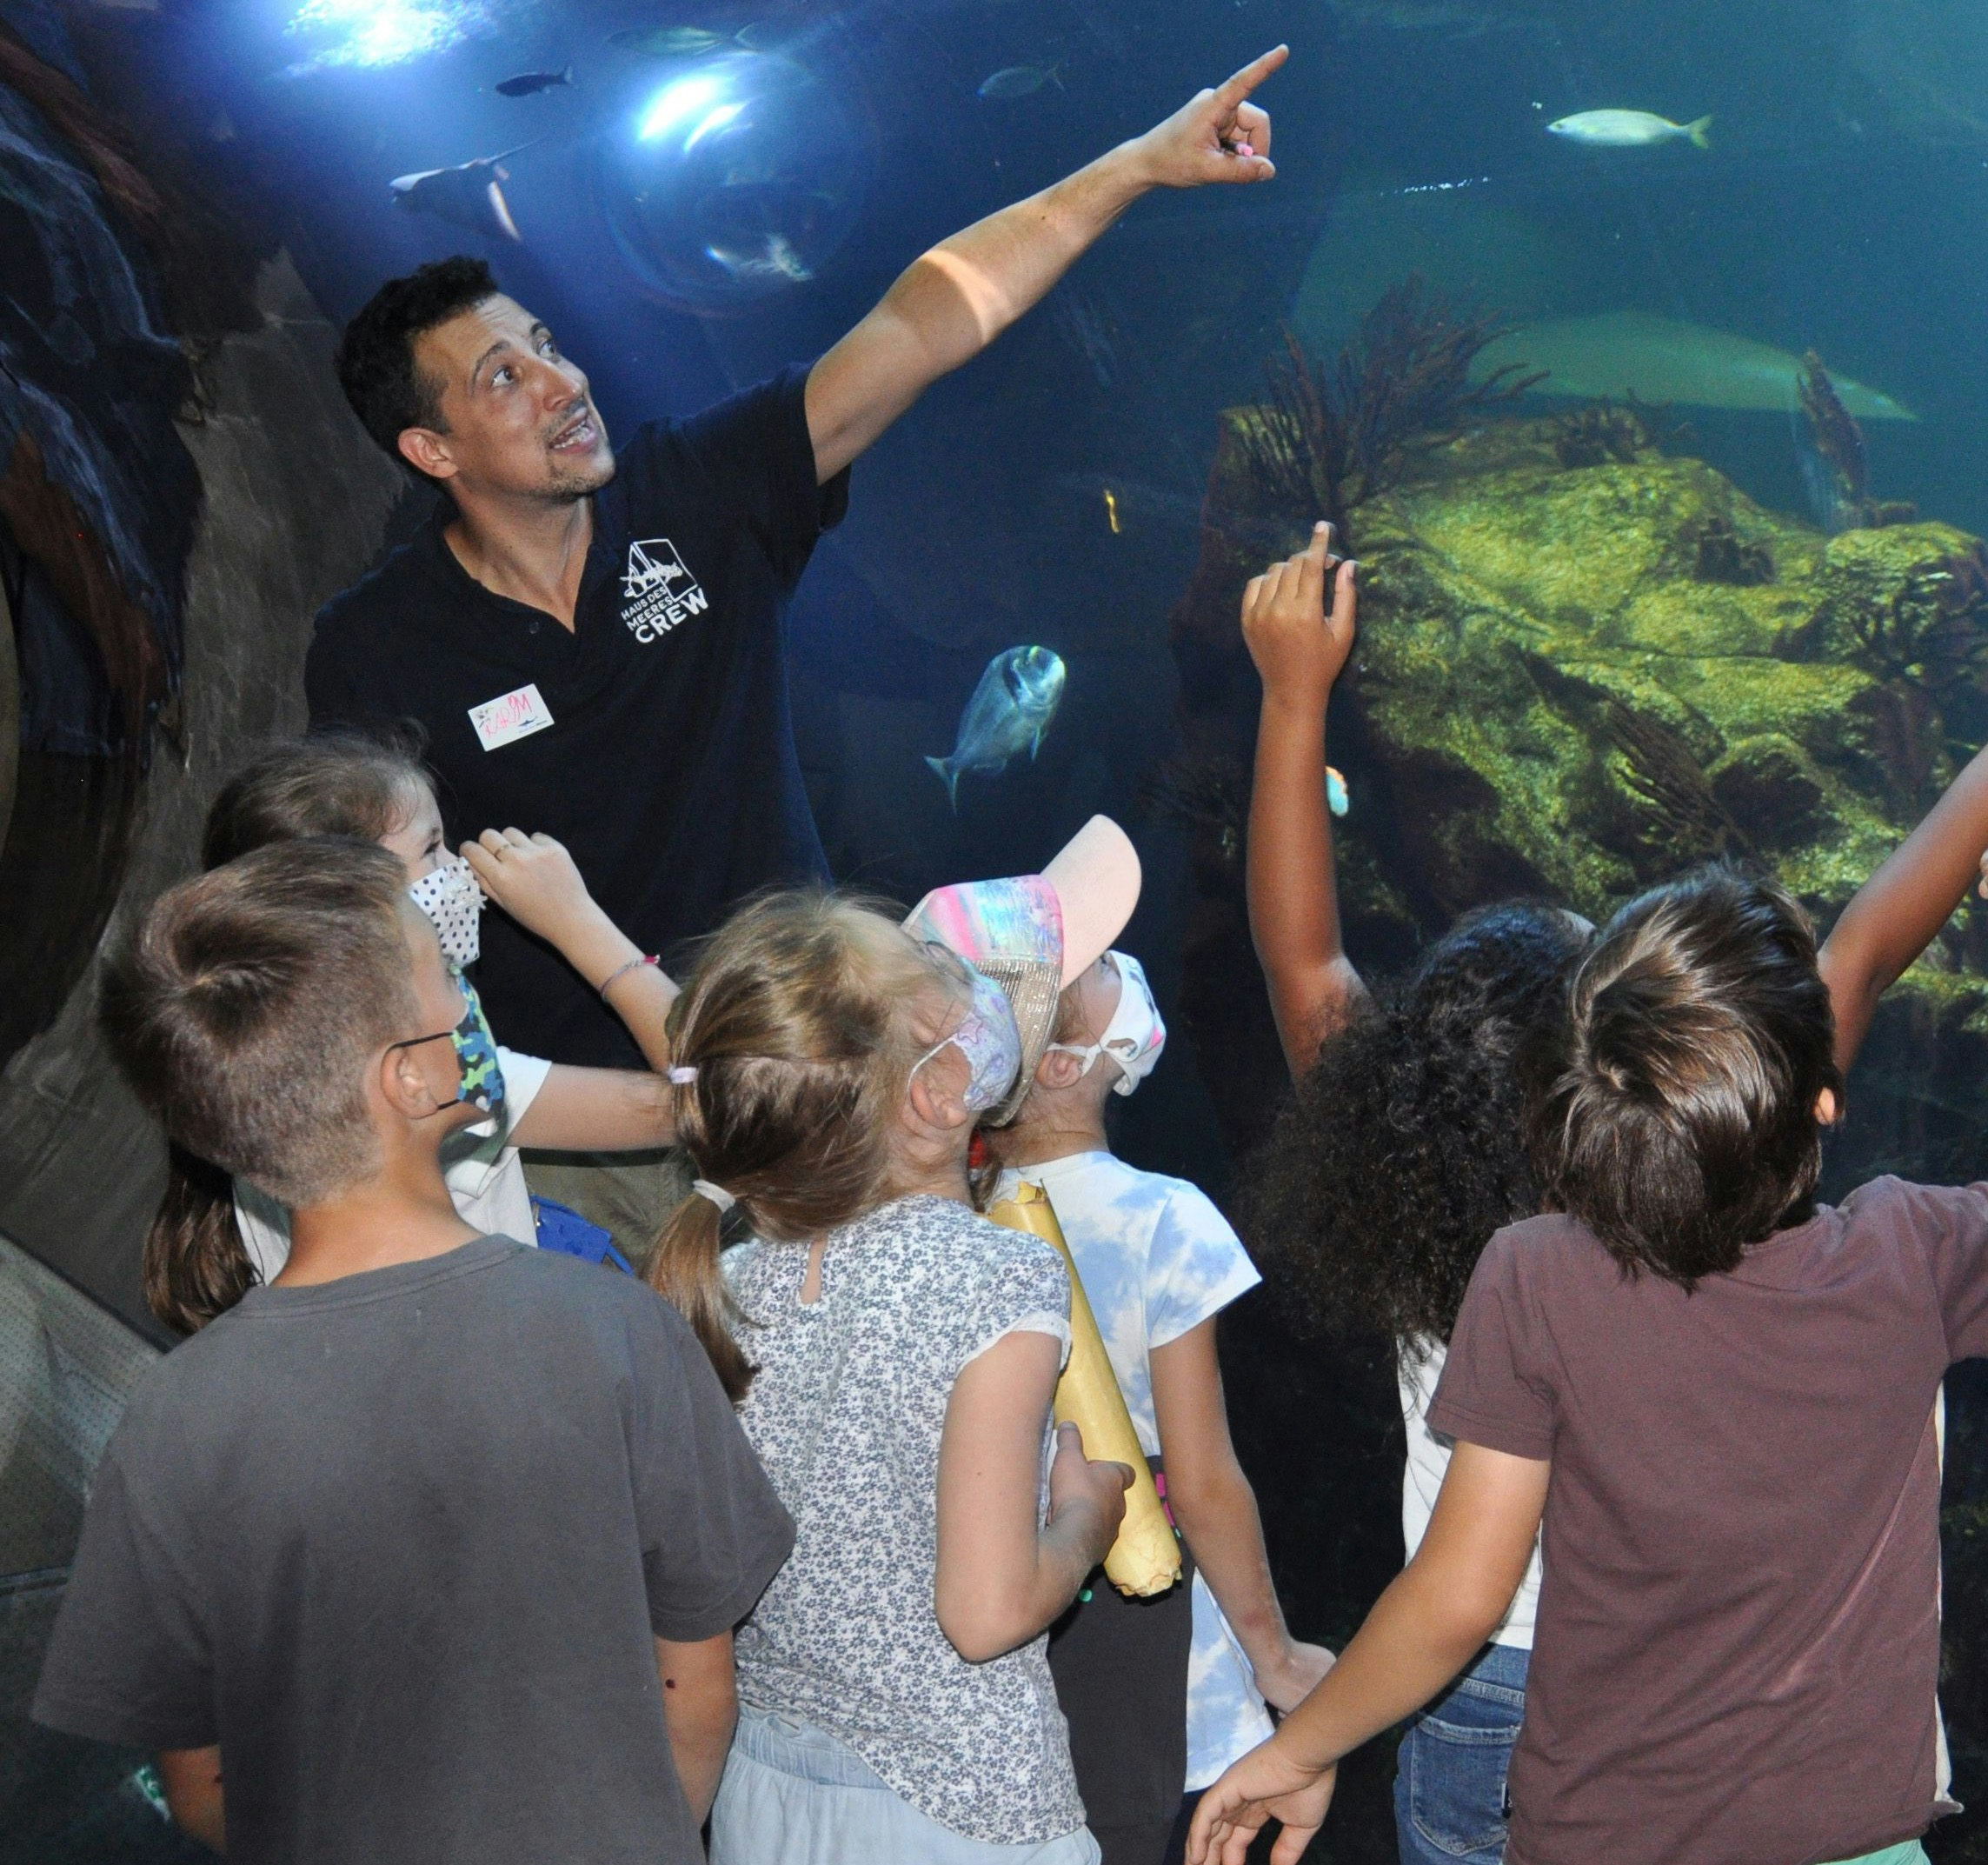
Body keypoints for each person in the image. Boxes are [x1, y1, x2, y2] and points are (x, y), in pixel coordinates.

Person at [1229, 527, 1988, 1864]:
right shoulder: (1778, 1172)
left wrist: (1291, 695)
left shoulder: (1478, 1241)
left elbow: (1302, 958)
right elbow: (1863, 952)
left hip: (1484, 1701)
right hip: (1768, 1735)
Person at [304, 49, 1296, 1236]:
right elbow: (366, 924)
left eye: (551, 346)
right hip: (602, 1146)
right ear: (433, 452)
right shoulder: (376, 650)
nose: (561, 384)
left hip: (819, 1066)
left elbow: (924, 321)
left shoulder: (692, 493)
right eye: (503, 378)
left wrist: (1135, 167)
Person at [36, 837, 795, 1860]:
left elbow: (205, 1782)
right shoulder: (614, 1330)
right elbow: (696, 1685)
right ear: (407, 1077)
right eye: (445, 975)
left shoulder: (171, 1422)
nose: (466, 999)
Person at [648, 826, 1147, 1863]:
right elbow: (986, 1610)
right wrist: (1087, 1517)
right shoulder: (993, 1279)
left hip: (767, 1796)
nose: (976, 993)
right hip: (959, 1810)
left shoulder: (727, 1278)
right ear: (935, 1091)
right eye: (946, 983)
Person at [137, 729, 681, 1332]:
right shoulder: (444, 1080)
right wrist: (577, 922)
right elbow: (708, 1097)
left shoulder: (273, 1070)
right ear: (352, 910)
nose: (464, 871)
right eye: (433, 848)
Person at [987, 946, 1333, 1861]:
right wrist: (1276, 1658)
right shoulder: (1166, 1218)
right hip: (1170, 1669)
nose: (1124, 962)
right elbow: (1206, 1479)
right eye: (1099, 964)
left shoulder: (952, 1219)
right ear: (1061, 1066)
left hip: (1012, 1651)